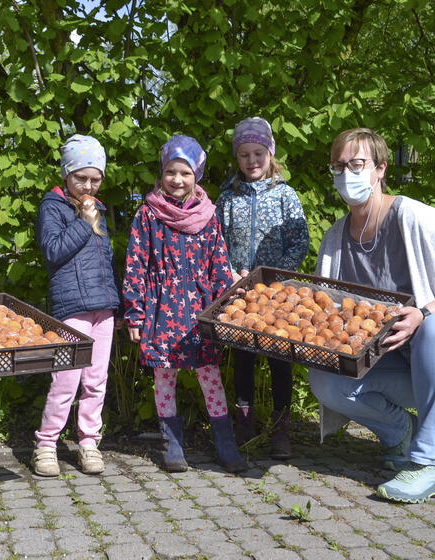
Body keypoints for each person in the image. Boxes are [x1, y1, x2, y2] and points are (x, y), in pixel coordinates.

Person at [307, 128, 435, 503]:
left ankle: (429, 464)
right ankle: (401, 432)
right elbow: (330, 315)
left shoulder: (416, 217)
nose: (346, 174)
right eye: (338, 166)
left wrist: (423, 313)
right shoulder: (335, 238)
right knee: (325, 378)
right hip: (386, 366)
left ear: (380, 168)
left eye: (357, 164)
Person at [123, 135, 247, 473]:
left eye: (185, 173)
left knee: (211, 376)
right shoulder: (147, 215)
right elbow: (135, 265)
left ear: (198, 176)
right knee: (164, 376)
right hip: (161, 310)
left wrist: (231, 302)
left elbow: (220, 265)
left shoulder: (208, 217)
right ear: (161, 174)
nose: (177, 180)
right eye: (171, 172)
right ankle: (171, 444)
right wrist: (134, 314)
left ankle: (225, 442)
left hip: (200, 312)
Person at [216, 117, 309, 458]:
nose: (252, 161)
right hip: (239, 293)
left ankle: (281, 425)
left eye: (258, 153)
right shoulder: (227, 199)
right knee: (242, 357)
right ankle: (244, 420)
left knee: (279, 358)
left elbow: (300, 241)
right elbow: (216, 242)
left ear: (270, 154)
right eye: (244, 154)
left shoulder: (285, 195)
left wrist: (275, 275)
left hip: (278, 293)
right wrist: (228, 274)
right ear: (236, 158)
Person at [32, 134, 120, 477]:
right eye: (81, 177)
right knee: (66, 379)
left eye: (95, 179)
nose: (88, 185)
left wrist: (116, 304)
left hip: (103, 308)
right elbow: (53, 250)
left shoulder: (96, 207)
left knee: (97, 380)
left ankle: (88, 442)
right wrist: (83, 223)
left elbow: (105, 260)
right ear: (66, 174)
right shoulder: (52, 207)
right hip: (71, 307)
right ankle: (46, 445)